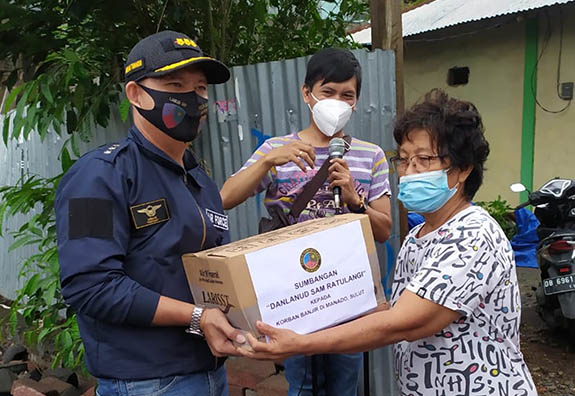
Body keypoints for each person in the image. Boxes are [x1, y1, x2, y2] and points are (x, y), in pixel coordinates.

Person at [238, 89, 538, 396]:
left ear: (462, 170)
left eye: (423, 160)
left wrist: (301, 343)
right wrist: (310, 307)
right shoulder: (419, 236)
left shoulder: (472, 234)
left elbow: (404, 323)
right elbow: (391, 311)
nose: (408, 172)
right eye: (404, 160)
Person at [55, 30, 245, 396]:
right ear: (135, 93)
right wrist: (196, 317)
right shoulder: (97, 176)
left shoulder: (200, 181)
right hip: (147, 382)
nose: (192, 98)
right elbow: (89, 285)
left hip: (210, 373)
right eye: (175, 83)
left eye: (201, 88)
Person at [221, 48, 392, 396]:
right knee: (302, 386)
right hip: (293, 298)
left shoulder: (371, 154)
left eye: (348, 95)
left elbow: (384, 230)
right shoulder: (276, 149)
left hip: (349, 299)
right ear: (307, 93)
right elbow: (223, 198)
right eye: (328, 92)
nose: (337, 102)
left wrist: (356, 201)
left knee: (345, 385)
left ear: (357, 101)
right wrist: (267, 162)